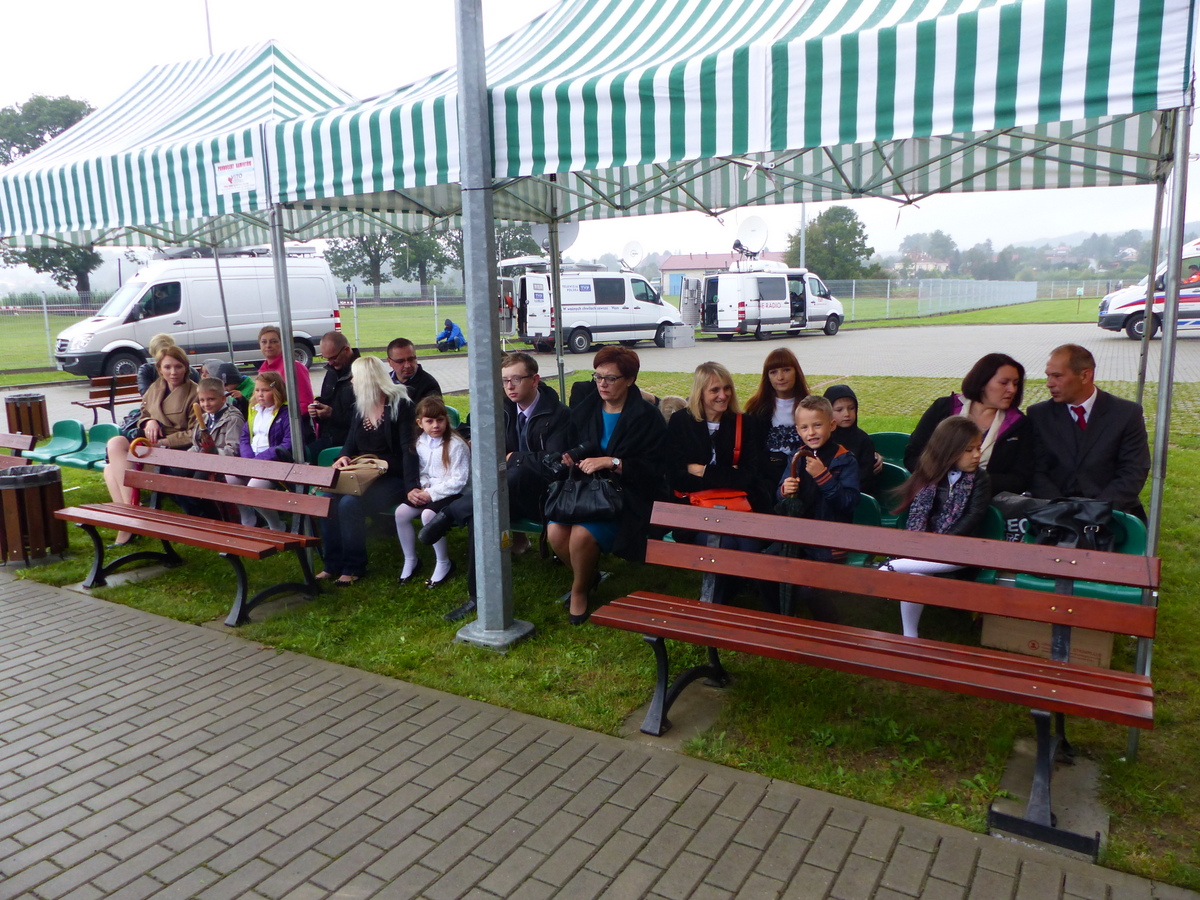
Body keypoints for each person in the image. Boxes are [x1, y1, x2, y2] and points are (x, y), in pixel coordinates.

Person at [420, 351, 573, 622]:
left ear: (535, 380)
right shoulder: (502, 407)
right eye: (504, 380)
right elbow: (477, 436)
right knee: (481, 514)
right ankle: (477, 597)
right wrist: (472, 441)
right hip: (506, 493)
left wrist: (515, 458)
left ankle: (450, 513)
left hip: (546, 495)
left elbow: (554, 463)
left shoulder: (558, 414)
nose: (509, 386)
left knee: (514, 475)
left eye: (516, 379)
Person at [547, 346, 666, 625]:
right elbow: (572, 445)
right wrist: (570, 456)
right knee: (555, 531)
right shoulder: (586, 409)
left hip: (628, 497)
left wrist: (612, 462)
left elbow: (656, 469)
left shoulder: (647, 417)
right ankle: (589, 576)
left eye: (611, 378)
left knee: (581, 535)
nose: (602, 384)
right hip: (585, 490)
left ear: (630, 380)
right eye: (598, 376)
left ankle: (579, 591)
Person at [666, 362, 772, 606]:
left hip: (739, 509)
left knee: (747, 544)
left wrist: (701, 471)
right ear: (700, 392)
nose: (723, 395)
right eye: (714, 390)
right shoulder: (681, 422)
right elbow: (675, 476)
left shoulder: (744, 423)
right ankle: (717, 604)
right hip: (695, 511)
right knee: (724, 544)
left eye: (727, 388)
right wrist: (727, 474)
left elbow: (748, 477)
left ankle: (771, 609)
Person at [884, 417, 991, 638]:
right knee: (917, 575)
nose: (977, 455)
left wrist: (942, 543)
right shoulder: (930, 473)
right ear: (948, 451)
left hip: (962, 549)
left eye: (978, 448)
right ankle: (910, 635)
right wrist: (924, 543)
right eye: (969, 450)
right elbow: (918, 513)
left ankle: (890, 568)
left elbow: (973, 516)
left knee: (920, 566)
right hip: (928, 546)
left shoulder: (980, 479)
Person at [318, 356, 419, 586]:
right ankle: (332, 564)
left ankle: (354, 566)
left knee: (349, 504)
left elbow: (409, 450)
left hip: (392, 476)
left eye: (355, 377)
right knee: (326, 499)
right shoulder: (360, 407)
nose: (352, 382)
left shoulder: (401, 405)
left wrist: (412, 486)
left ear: (367, 379)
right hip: (362, 473)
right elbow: (350, 442)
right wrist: (342, 456)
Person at [1026, 344, 1151, 518]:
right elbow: (1036, 471)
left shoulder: (1126, 413)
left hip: (1112, 513)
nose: (1049, 384)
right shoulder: (1039, 415)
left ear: (1085, 375)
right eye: (1048, 376)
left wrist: (1096, 512)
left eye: (1057, 376)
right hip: (1055, 515)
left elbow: (1133, 470)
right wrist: (1062, 510)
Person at [772, 396, 860, 621]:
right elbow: (780, 498)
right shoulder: (796, 457)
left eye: (817, 425)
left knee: (808, 588)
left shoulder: (845, 460)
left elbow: (848, 502)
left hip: (828, 542)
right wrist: (784, 490)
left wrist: (823, 476)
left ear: (832, 425)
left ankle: (831, 626)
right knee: (766, 567)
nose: (811, 432)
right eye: (804, 427)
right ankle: (782, 618)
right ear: (798, 430)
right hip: (797, 537)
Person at [103, 346, 199, 548]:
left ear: (186, 367)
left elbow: (194, 433)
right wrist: (149, 422)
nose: (173, 372)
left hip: (175, 454)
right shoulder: (156, 387)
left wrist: (163, 442)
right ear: (160, 369)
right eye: (167, 367)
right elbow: (144, 412)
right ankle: (133, 513)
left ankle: (129, 522)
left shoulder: (194, 392)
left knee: (111, 469)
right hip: (152, 448)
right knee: (114, 448)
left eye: (178, 366)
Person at [904, 353, 1033, 497]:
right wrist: (947, 478)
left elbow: (1020, 479)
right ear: (982, 383)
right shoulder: (944, 408)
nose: (1012, 389)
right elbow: (913, 456)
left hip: (988, 501)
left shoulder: (1019, 424)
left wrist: (974, 482)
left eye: (1015, 383)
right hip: (934, 496)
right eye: (1004, 383)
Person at [395, 397, 471, 588]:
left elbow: (459, 481)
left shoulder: (456, 445)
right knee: (401, 513)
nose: (435, 425)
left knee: (428, 515)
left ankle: (444, 562)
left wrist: (431, 494)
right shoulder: (420, 442)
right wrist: (420, 489)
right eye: (429, 421)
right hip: (429, 490)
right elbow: (423, 471)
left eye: (440, 420)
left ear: (446, 420)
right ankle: (411, 559)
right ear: (420, 423)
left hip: (454, 493)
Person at [227, 372, 293, 532]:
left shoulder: (286, 413)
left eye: (265, 390)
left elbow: (288, 444)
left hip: (276, 463)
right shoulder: (254, 411)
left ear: (276, 391)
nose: (260, 394)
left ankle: (277, 526)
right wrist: (249, 458)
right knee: (230, 478)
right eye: (257, 390)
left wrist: (261, 459)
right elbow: (245, 436)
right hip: (254, 461)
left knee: (254, 489)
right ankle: (249, 518)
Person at [743, 347, 811, 489]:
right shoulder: (756, 409)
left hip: (803, 478)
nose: (780, 377)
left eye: (786, 370)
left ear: (796, 372)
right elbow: (752, 455)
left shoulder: (810, 407)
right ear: (767, 376)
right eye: (773, 372)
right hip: (766, 481)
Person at [823, 385, 881, 496]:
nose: (847, 414)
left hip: (856, 495)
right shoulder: (823, 438)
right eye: (839, 410)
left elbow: (865, 478)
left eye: (851, 408)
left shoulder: (864, 440)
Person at [309, 331, 361, 454]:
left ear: (346, 350)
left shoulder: (362, 372)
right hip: (328, 438)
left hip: (351, 444)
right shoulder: (331, 371)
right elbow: (327, 399)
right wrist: (318, 407)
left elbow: (364, 416)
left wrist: (332, 414)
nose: (330, 363)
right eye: (326, 358)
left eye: (333, 358)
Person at [256, 325, 314, 413]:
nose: (268, 345)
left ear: (282, 343)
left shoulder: (293, 367)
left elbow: (305, 402)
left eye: (274, 341)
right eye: (264, 342)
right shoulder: (262, 370)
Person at [385, 338, 442, 403]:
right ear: (389, 362)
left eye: (411, 359)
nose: (407, 365)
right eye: (400, 361)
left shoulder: (429, 385)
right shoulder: (383, 383)